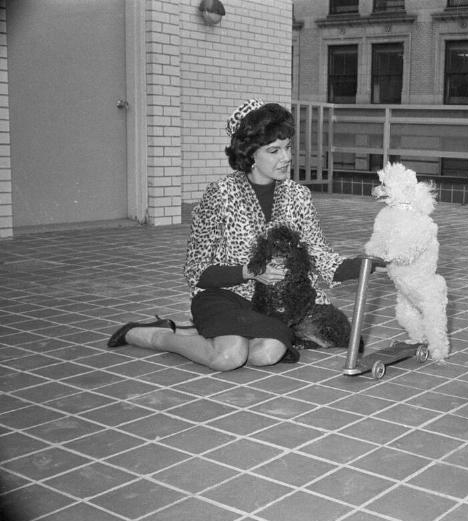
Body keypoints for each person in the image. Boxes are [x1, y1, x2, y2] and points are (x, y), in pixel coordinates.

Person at [107, 99, 366, 370]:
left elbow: (320, 257)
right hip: (222, 294)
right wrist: (248, 272)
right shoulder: (218, 194)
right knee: (229, 357)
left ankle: (206, 332)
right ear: (250, 153)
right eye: (274, 150)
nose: (286, 157)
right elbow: (196, 271)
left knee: (266, 355)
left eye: (288, 147)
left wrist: (369, 264)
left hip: (270, 303)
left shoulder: (299, 196)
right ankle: (155, 335)